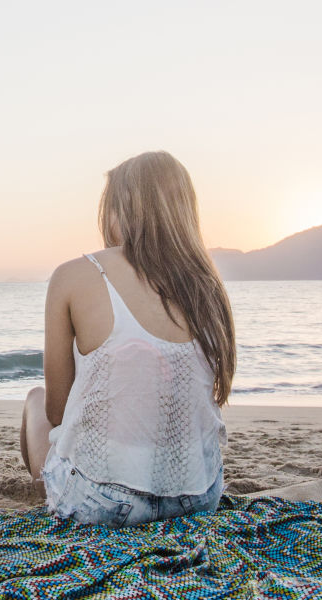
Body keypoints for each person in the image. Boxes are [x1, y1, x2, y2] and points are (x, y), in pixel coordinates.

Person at [19, 151, 236, 526]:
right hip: (199, 499)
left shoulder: (74, 275)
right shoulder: (206, 284)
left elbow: (59, 414)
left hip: (101, 504)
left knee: (36, 402)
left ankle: (51, 497)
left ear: (120, 209)